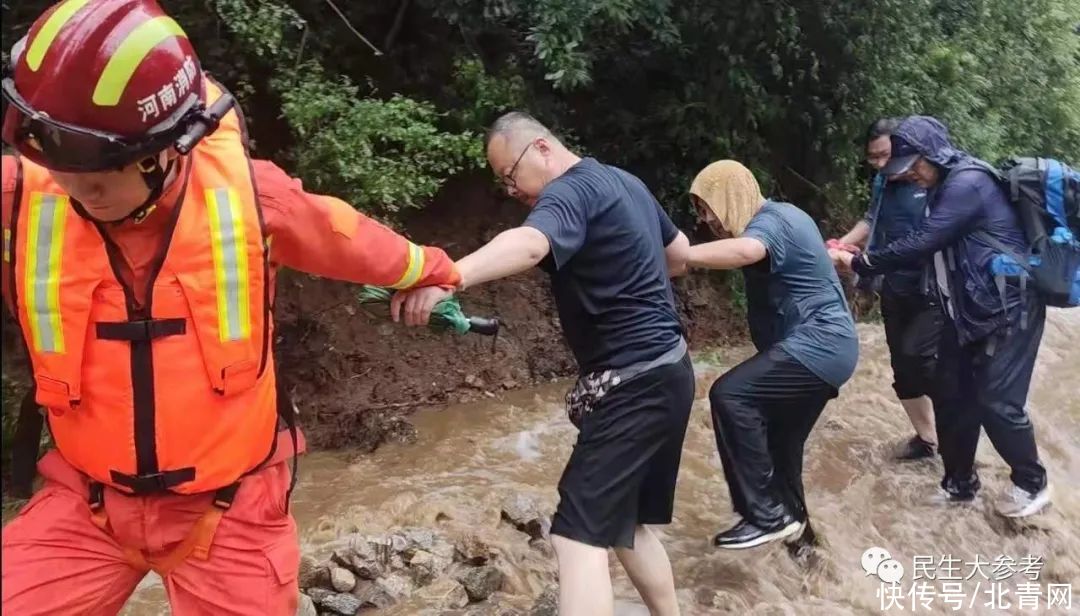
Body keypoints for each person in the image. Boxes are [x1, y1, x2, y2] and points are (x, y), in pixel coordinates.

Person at [0, 2, 461, 613]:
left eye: (102, 170)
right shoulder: (21, 198)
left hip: (231, 511)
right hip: (85, 503)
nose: (80, 188)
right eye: (59, 165)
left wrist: (435, 271)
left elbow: (353, 240)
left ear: (167, 148)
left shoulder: (252, 197)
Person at [393, 112, 694, 616]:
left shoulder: (568, 192)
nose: (511, 191)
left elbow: (531, 244)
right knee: (626, 523)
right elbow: (680, 255)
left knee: (577, 538)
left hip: (633, 383)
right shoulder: (624, 181)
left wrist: (448, 277)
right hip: (670, 370)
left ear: (541, 150)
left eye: (510, 176)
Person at [831, 115, 1052, 517]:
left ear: (935, 154)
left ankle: (1031, 484)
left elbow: (924, 240)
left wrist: (862, 263)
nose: (909, 175)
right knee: (951, 395)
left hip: (1011, 308)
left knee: (997, 401)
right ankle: (959, 485)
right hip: (967, 308)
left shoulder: (969, 184)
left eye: (914, 166)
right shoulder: (941, 184)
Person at [686, 160, 858, 550]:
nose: (705, 219)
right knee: (781, 448)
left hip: (819, 345)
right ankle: (803, 545)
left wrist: (685, 256)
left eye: (706, 206)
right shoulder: (781, 219)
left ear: (730, 196)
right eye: (698, 210)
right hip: (828, 352)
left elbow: (748, 249)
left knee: (730, 395)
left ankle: (763, 516)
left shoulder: (773, 219)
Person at [830, 118, 942, 461]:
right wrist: (837, 245)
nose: (880, 165)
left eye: (886, 156)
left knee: (922, 360)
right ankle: (928, 440)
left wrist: (863, 261)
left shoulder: (936, 182)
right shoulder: (883, 181)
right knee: (902, 367)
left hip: (933, 287)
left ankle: (959, 433)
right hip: (892, 282)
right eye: (873, 158)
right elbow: (871, 219)